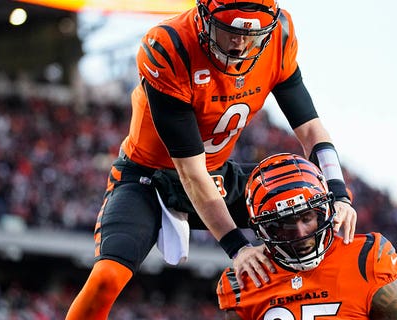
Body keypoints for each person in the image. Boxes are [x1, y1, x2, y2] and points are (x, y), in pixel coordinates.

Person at [66, 1, 357, 319]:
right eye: (228, 31)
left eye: (252, 34)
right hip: (150, 177)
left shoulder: (280, 36)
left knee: (311, 213)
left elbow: (311, 129)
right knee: (107, 278)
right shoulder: (170, 45)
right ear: (203, 20)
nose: (240, 43)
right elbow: (190, 172)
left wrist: (338, 192)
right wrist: (238, 248)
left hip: (215, 172)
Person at [217, 153, 397, 320]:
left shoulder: (366, 261)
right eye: (286, 224)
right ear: (266, 228)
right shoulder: (246, 279)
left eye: (307, 218)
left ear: (324, 212)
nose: (300, 233)